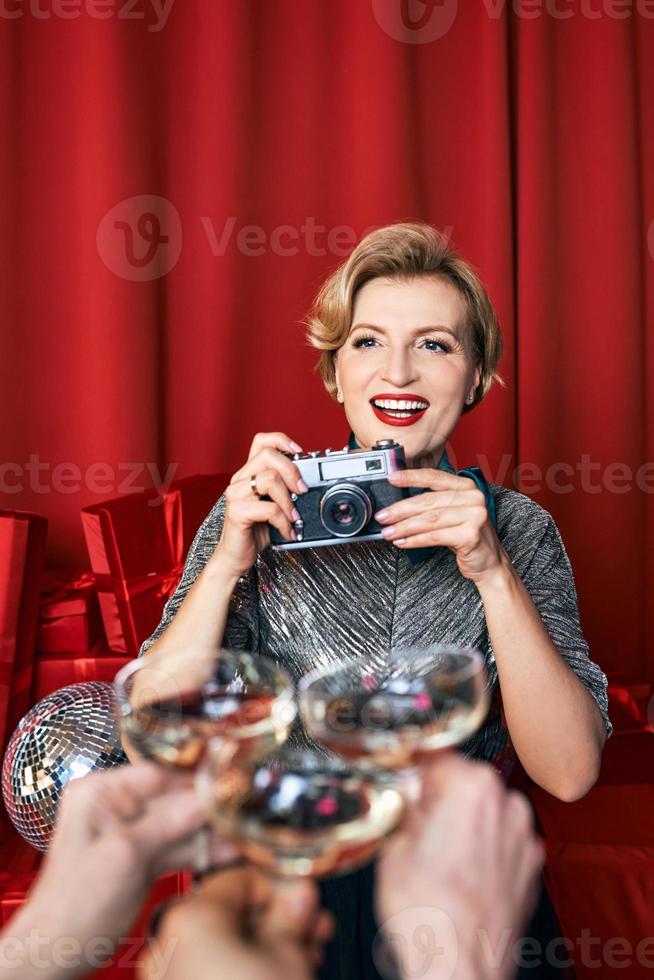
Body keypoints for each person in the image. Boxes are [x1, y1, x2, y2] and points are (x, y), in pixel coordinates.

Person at [137, 222, 612, 978]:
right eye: (367, 342)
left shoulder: (518, 529)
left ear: (478, 376)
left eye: (434, 345)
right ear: (334, 373)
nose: (398, 372)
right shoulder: (262, 516)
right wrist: (228, 560)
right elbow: (149, 739)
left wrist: (491, 569)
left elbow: (570, 772)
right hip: (290, 893)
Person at [142, 754, 544, 980]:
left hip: (447, 855)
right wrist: (461, 969)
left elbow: (570, 774)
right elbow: (152, 730)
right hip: (298, 847)